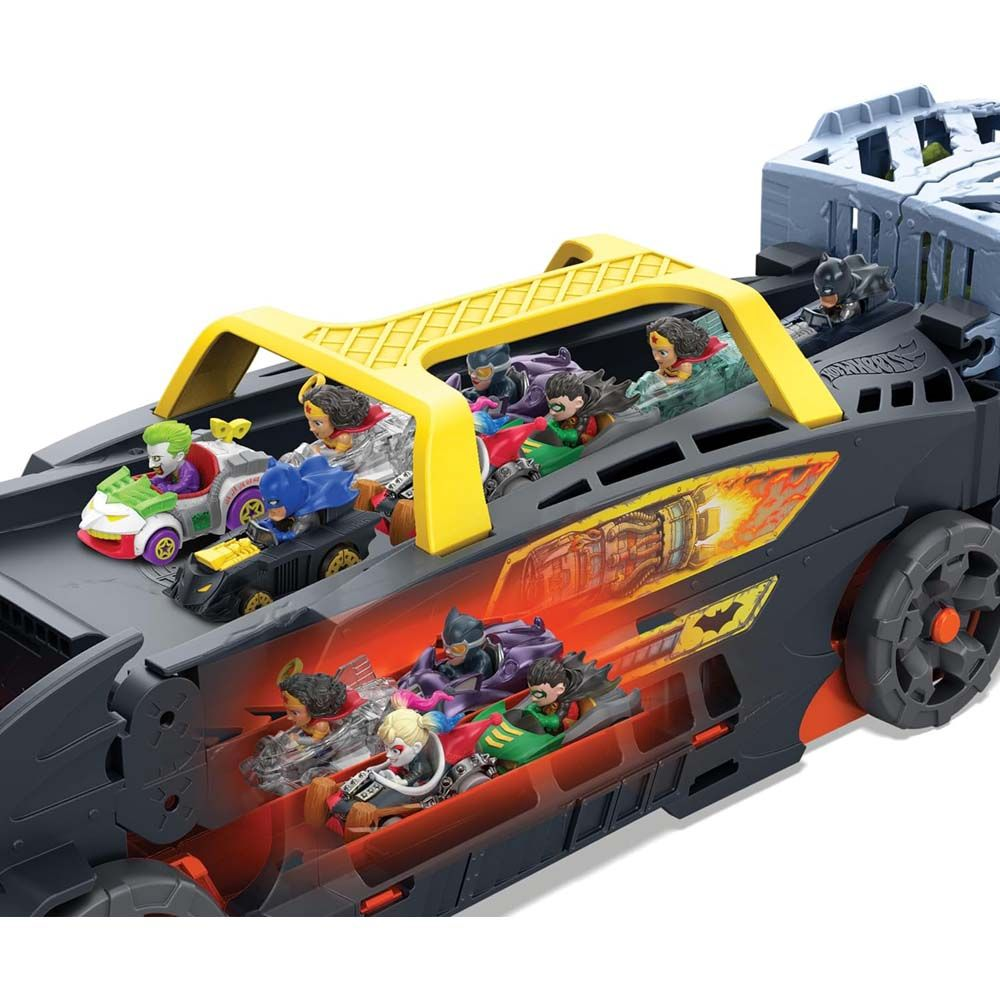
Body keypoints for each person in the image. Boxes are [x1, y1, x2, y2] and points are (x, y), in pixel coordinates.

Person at [283, 372, 390, 466]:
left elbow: (339, 456)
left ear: (335, 420)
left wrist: (317, 453)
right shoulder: (328, 434)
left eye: (317, 423)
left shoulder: (343, 438)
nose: (311, 428)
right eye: (309, 421)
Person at [252, 455, 358, 544]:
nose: (272, 511)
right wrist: (267, 524)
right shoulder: (288, 500)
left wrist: (277, 536)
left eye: (274, 503)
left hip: (312, 536)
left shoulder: (305, 515)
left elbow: (293, 535)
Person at [519, 653, 620, 735]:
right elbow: (536, 705)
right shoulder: (548, 697)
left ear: (559, 690)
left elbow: (556, 721)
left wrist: (543, 720)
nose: (533, 698)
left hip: (561, 728)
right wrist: (532, 708)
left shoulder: (566, 703)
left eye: (538, 694)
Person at [543, 369, 633, 447]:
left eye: (557, 407)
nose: (552, 412)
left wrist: (561, 434)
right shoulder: (566, 413)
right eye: (549, 405)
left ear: (578, 403)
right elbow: (553, 422)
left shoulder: (584, 417)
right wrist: (548, 426)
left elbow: (576, 435)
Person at [646, 315, 727, 385]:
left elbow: (681, 381)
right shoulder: (666, 362)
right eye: (654, 350)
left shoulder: (684, 365)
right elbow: (660, 371)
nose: (656, 358)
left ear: (678, 349)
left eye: (663, 353)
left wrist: (664, 381)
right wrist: (653, 376)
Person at [143, 420, 202, 494]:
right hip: (172, 483)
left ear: (179, 457)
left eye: (156, 458)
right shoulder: (171, 467)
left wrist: (165, 488)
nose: (150, 465)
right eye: (150, 457)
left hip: (186, 491)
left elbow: (181, 486)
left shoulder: (189, 471)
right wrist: (151, 481)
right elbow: (161, 476)